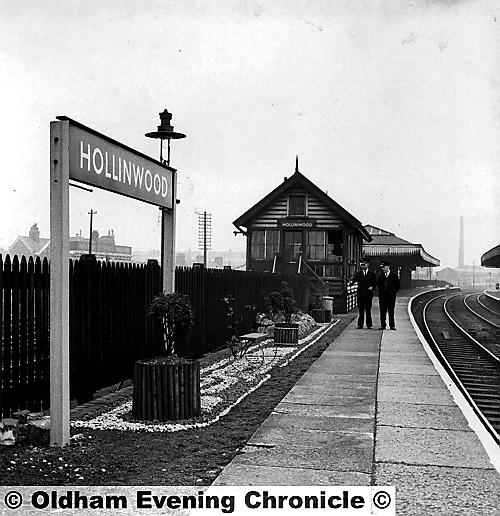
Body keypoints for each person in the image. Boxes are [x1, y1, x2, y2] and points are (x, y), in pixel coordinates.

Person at [349, 258, 377, 329]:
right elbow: (354, 280)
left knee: (368, 310)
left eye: (364, 264)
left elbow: (375, 283)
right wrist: (351, 283)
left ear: (368, 264)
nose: (363, 266)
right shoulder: (358, 273)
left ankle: (369, 325)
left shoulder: (372, 274)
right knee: (361, 310)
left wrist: (372, 287)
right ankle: (360, 324)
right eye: (362, 264)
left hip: (368, 295)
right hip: (360, 294)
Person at [377, 260, 400, 330]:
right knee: (382, 312)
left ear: (388, 267)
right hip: (382, 298)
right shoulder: (380, 276)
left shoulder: (394, 276)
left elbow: (397, 286)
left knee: (391, 311)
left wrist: (393, 292)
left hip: (391, 298)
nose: (382, 268)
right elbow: (378, 286)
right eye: (382, 267)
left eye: (384, 267)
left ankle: (392, 325)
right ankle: (383, 325)